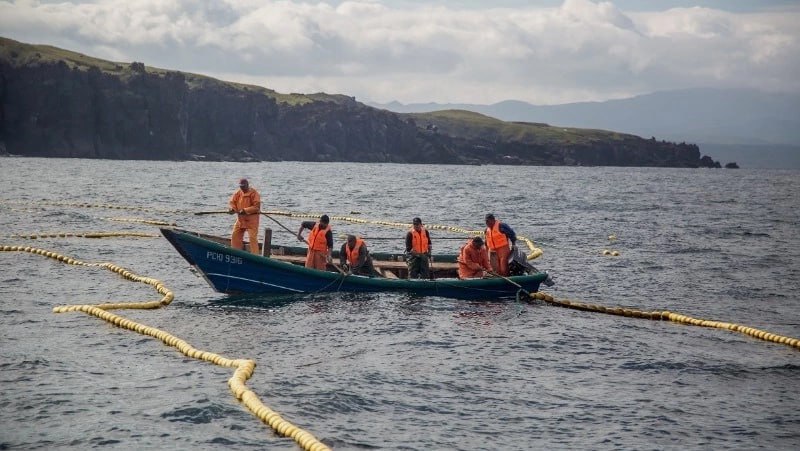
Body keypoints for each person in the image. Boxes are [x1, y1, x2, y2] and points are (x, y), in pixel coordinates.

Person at [228, 178, 261, 253]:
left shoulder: (254, 193)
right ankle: (235, 253)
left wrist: (245, 210)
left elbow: (256, 207)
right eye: (240, 186)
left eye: (243, 186)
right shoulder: (238, 193)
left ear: (247, 185)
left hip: (252, 221)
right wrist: (232, 209)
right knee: (235, 235)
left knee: (252, 238)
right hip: (241, 220)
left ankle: (255, 256)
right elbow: (232, 202)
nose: (242, 188)